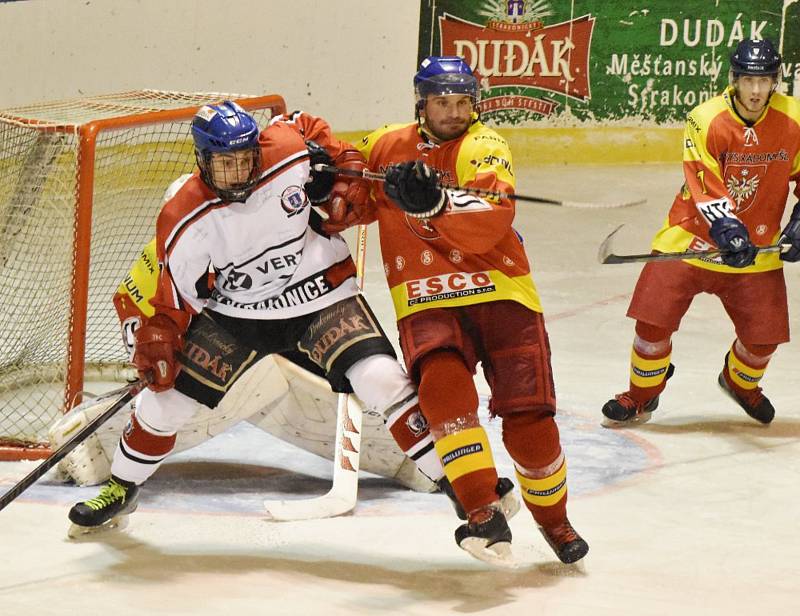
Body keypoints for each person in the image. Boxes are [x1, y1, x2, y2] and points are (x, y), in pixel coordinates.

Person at [67, 102, 456, 532]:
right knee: (163, 403)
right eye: (225, 163)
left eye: (245, 158)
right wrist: (157, 339)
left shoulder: (285, 153)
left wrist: (341, 160)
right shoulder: (183, 218)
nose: (239, 171)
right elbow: (170, 303)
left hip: (318, 295)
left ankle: (460, 484)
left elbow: (306, 123)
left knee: (381, 379)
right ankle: (122, 488)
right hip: (238, 315)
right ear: (203, 161)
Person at [326, 56, 589, 565]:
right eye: (442, 103)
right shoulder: (387, 143)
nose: (453, 112)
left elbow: (489, 220)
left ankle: (555, 523)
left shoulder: (484, 145)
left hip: (501, 293)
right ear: (420, 103)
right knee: (445, 397)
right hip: (426, 300)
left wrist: (433, 204)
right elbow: (350, 183)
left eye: (463, 102)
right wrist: (328, 183)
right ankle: (481, 513)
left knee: (530, 421)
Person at [601, 38, 800, 427]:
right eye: (747, 80)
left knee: (764, 340)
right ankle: (642, 394)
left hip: (755, 248)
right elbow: (703, 180)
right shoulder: (705, 117)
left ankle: (739, 382)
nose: (756, 91)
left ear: (776, 79)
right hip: (690, 238)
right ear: (734, 79)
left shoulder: (794, 119)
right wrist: (727, 229)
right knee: (652, 323)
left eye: (764, 80)